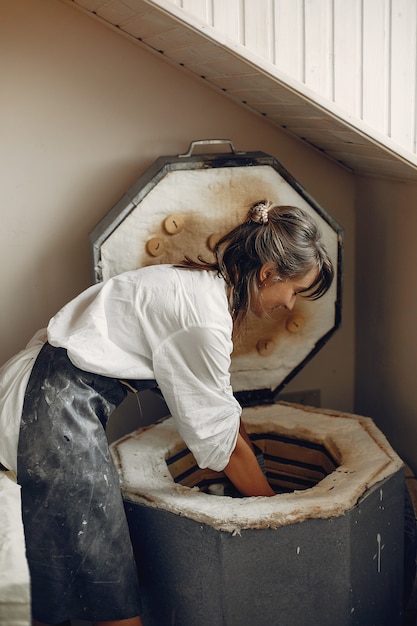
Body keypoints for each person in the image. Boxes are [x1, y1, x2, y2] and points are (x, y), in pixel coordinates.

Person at [0, 200, 334, 625]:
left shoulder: (199, 283)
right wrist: (279, 516)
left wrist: (258, 473)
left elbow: (222, 411)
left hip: (42, 390)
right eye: (295, 291)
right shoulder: (202, 320)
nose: (290, 304)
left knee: (78, 566)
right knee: (106, 575)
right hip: (49, 411)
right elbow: (224, 447)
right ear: (269, 274)